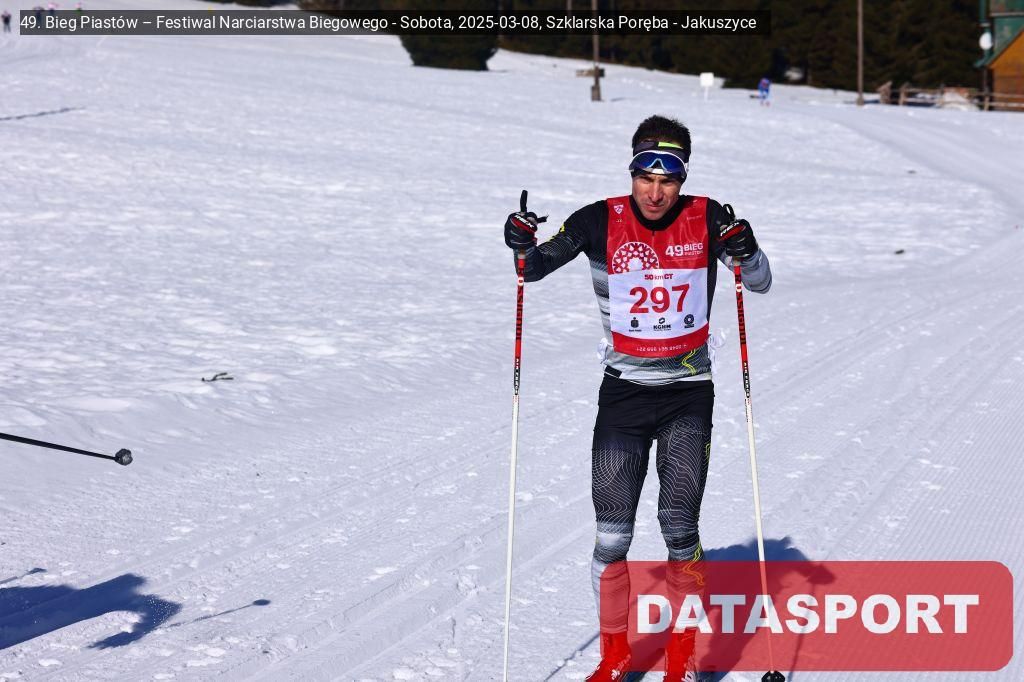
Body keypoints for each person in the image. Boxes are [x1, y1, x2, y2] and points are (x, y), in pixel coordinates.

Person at [503, 115, 772, 682]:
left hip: (687, 396)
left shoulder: (708, 217)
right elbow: (533, 268)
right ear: (630, 172)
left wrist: (748, 250)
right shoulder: (597, 219)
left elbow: (760, 280)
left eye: (667, 179)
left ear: (683, 177)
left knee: (679, 528)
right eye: (644, 177)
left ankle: (682, 656)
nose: (655, 192)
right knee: (612, 535)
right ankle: (615, 655)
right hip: (623, 397)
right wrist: (520, 241)